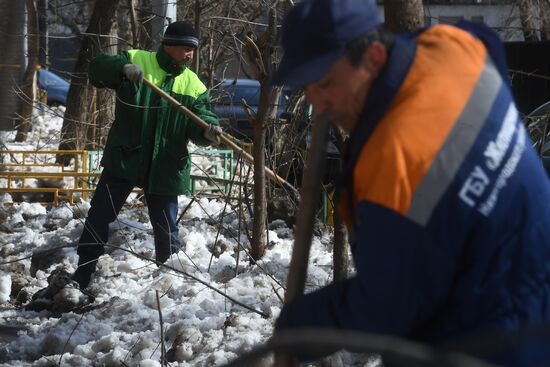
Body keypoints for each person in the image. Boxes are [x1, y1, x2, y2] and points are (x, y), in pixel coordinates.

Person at [271, 0, 550, 366]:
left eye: (326, 84)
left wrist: (299, 325)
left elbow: (385, 306)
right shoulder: (452, 47)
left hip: (491, 340)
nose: (318, 104)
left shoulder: (395, 163)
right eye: (307, 87)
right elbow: (487, 43)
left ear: (372, 56)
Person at [72, 21, 221, 290]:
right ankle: (83, 272)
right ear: (169, 45)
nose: (190, 55)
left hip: (165, 164)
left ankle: (169, 282)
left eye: (193, 50)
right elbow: (96, 70)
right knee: (100, 215)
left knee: (166, 228)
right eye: (186, 48)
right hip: (126, 157)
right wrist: (121, 69)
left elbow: (200, 120)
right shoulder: (137, 59)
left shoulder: (194, 86)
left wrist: (208, 130)